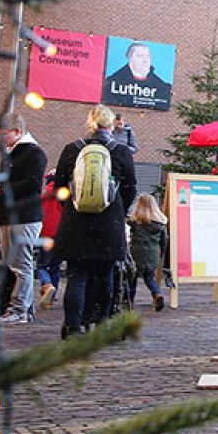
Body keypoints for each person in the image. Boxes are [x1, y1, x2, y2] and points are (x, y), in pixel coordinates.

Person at [52, 104, 137, 339]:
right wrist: (118, 212)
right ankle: (101, 325)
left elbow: (59, 188)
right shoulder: (120, 151)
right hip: (109, 224)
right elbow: (130, 188)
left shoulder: (72, 149)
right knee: (105, 276)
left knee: (76, 277)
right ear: (111, 125)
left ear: (90, 124)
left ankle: (73, 327)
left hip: (76, 222)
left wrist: (71, 208)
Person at [0, 114, 47, 325]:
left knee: (21, 265)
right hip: (11, 217)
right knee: (13, 264)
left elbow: (33, 185)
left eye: (4, 134)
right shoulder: (12, 152)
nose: (1, 139)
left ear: (17, 131)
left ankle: (21, 309)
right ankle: (11, 306)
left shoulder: (34, 153)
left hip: (24, 217)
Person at [127, 194, 171, 311]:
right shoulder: (160, 224)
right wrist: (161, 254)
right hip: (153, 253)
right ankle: (157, 294)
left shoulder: (135, 222)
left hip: (137, 252)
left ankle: (130, 302)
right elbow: (164, 241)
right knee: (149, 277)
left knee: (133, 278)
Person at [103, 42, 172, 111]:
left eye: (148, 56)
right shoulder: (112, 82)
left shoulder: (163, 87)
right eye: (140, 56)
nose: (145, 60)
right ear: (130, 58)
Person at [35, 171, 63, 308]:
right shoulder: (64, 195)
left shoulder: (45, 195)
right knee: (55, 267)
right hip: (61, 235)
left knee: (41, 265)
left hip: (46, 234)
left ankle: (47, 285)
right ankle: (51, 297)